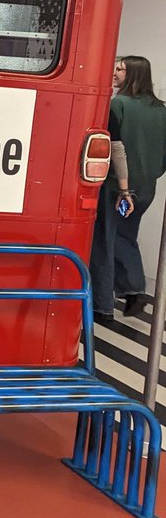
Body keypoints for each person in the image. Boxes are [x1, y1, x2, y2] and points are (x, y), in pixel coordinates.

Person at [90, 55, 166, 322]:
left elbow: (116, 147)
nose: (115, 73)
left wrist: (123, 187)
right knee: (126, 235)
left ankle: (101, 306)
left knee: (103, 240)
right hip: (147, 187)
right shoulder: (161, 109)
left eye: (120, 70)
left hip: (117, 185)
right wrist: (151, 173)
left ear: (132, 74)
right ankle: (134, 289)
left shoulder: (118, 104)